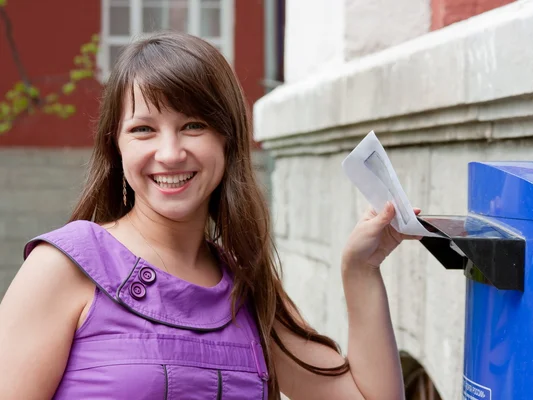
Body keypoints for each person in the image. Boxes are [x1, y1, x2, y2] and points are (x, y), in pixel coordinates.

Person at [0, 31, 420, 400]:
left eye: (193, 126)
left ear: (227, 139)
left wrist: (360, 270)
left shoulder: (249, 290)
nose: (169, 154)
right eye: (143, 129)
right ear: (116, 146)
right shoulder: (63, 266)